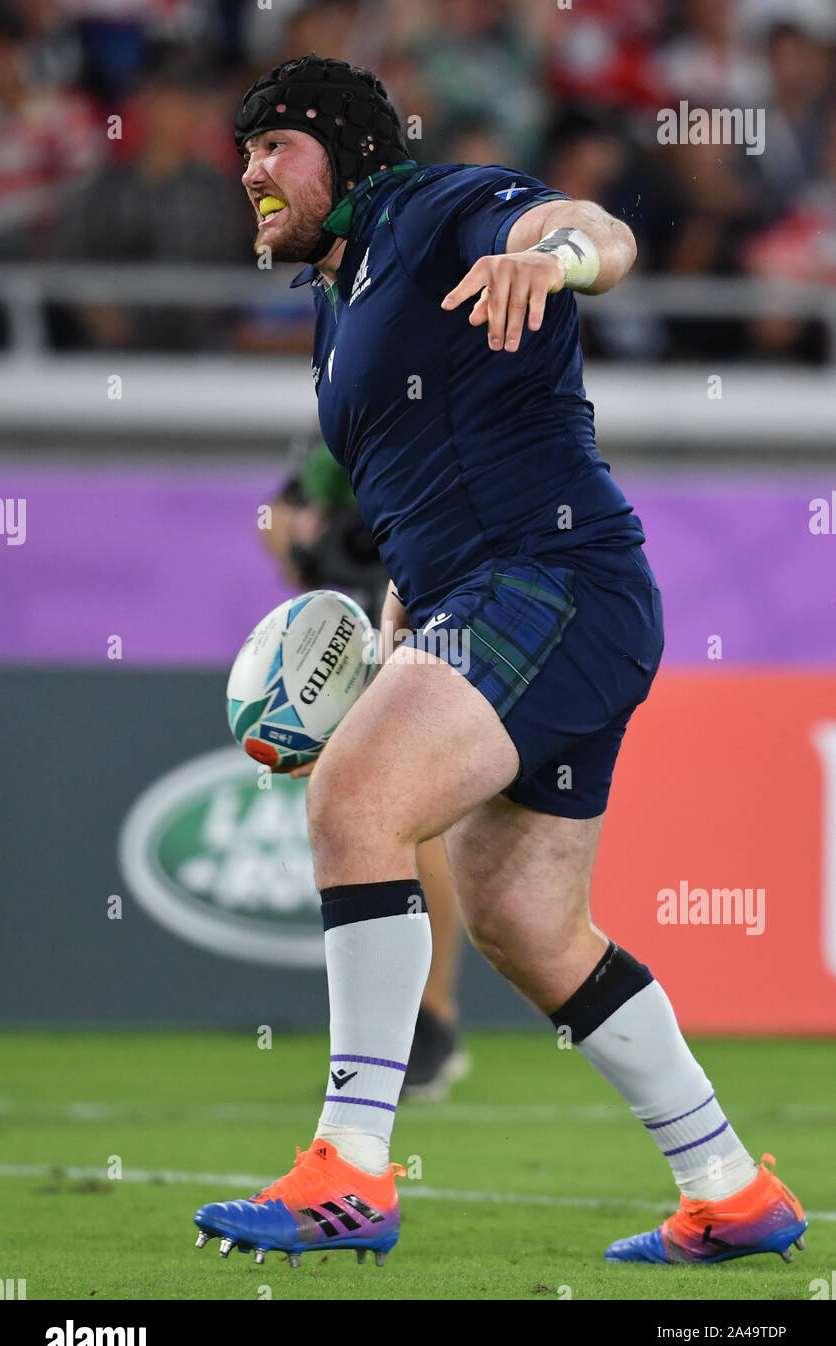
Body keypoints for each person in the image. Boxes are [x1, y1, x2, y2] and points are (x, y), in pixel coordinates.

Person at [194, 55, 806, 1270]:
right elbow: (416, 510)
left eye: (277, 148)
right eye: (245, 152)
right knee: (526, 921)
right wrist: (400, 644)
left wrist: (560, 254)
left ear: (349, 152)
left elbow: (591, 231)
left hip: (552, 582)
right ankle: (729, 1188)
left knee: (356, 799)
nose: (252, 173)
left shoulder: (431, 208)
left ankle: (352, 1170)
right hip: (501, 601)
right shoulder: (335, 313)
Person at [260, 440, 470, 1097]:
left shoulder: (440, 424)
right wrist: (299, 549)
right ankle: (399, 1026)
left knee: (418, 819)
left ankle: (431, 1016)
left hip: (440, 616)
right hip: (365, 625)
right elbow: (273, 514)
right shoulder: (346, 429)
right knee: (376, 814)